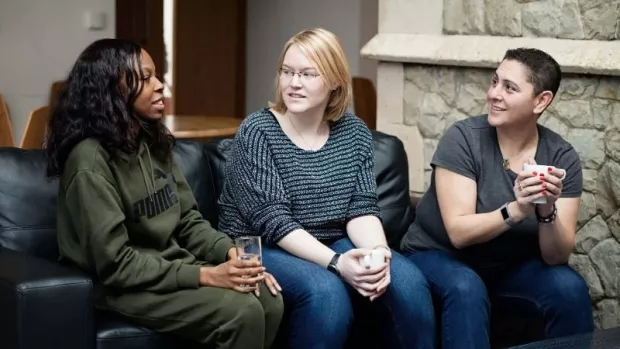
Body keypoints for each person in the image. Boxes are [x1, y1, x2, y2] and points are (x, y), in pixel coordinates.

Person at [44, 38, 283, 349]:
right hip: (120, 286)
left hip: (168, 269)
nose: (160, 86)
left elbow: (188, 221)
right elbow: (117, 265)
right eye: (145, 79)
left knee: (269, 299)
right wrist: (207, 276)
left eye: (155, 75)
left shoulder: (151, 140)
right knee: (242, 311)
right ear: (112, 90)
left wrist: (230, 254)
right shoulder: (90, 162)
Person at [217, 28, 435, 349]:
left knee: (408, 281)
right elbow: (273, 221)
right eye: (287, 72)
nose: (293, 83)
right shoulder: (258, 131)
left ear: (334, 81)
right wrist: (337, 263)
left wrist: (379, 253)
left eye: (307, 74)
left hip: (331, 240)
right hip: (261, 247)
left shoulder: (354, 132)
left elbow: (361, 207)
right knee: (326, 294)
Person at [401, 47, 594, 348]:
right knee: (466, 286)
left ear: (541, 101)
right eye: (494, 82)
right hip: (438, 255)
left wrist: (546, 207)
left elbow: (556, 256)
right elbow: (459, 233)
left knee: (569, 287)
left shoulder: (560, 156)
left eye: (509, 87)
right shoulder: (464, 138)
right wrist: (517, 209)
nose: (493, 94)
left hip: (509, 266)